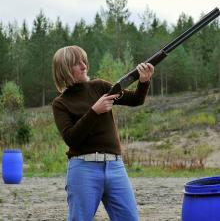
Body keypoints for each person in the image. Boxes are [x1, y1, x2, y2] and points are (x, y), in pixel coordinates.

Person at [52, 45, 154, 221]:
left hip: (115, 166)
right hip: (83, 169)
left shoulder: (100, 86)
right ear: (65, 70)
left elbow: (136, 100)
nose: (84, 66)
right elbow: (71, 139)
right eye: (77, 63)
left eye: (84, 61)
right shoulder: (60, 103)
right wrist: (94, 111)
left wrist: (144, 81)